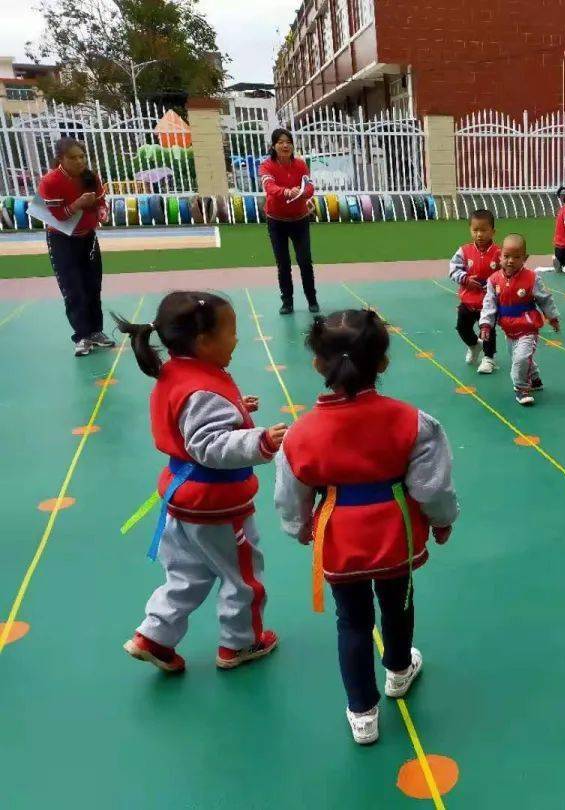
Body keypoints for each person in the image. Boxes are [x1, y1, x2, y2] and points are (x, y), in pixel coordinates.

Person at [274, 309, 458, 745]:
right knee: (398, 602)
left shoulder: (301, 433)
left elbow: (290, 493)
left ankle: (362, 713)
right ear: (383, 363)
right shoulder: (413, 422)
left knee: (352, 621)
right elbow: (432, 487)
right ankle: (398, 669)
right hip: (396, 532)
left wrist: (300, 527)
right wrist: (442, 521)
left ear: (318, 364)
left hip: (339, 534)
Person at [114, 292, 285, 674]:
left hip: (180, 499)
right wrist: (259, 440)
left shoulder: (176, 372)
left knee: (186, 573)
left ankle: (154, 636)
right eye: (231, 333)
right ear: (204, 342)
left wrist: (240, 410)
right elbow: (209, 444)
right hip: (217, 507)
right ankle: (240, 644)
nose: (237, 340)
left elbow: (192, 421)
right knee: (242, 576)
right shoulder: (203, 391)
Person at [39, 137, 114, 357]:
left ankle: (96, 332)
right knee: (73, 290)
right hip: (62, 240)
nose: (80, 162)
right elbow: (58, 216)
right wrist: (78, 204)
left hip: (87, 238)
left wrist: (102, 212)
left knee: (93, 286)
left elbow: (101, 203)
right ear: (61, 159)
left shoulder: (91, 177)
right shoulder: (50, 182)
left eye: (82, 157)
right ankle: (82, 336)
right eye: (73, 158)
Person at [479, 234, 561, 405]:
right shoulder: (494, 280)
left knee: (521, 359)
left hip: (527, 328)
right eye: (507, 256)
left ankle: (521, 388)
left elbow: (544, 298)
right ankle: (535, 377)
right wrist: (486, 324)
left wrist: (552, 316)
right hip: (508, 330)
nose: (510, 261)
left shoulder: (531, 278)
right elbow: (489, 304)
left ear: (525, 258)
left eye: (516, 257)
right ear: (500, 256)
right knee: (517, 356)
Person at [259, 128, 319, 315]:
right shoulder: (266, 166)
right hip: (276, 222)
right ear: (274, 146)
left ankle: (312, 300)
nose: (285, 145)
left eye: (288, 142)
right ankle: (287, 302)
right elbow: (268, 186)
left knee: (305, 261)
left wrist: (303, 192)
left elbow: (309, 186)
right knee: (283, 263)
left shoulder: (301, 165)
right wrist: (286, 191)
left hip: (299, 221)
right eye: (280, 142)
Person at [448, 209, 501, 374]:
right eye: (475, 230)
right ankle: (474, 346)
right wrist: (465, 279)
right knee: (462, 328)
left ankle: (488, 358)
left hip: (488, 302)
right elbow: (453, 270)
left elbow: (506, 272)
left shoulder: (499, 253)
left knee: (487, 330)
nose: (479, 234)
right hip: (468, 301)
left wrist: (495, 284)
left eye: (484, 230)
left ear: (493, 231)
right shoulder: (464, 251)